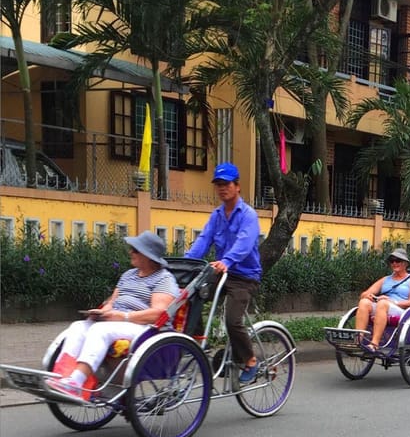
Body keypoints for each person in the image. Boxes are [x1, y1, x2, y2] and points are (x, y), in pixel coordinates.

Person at [45, 231, 179, 400]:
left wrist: (123, 316)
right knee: (78, 327)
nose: (130, 252)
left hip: (145, 328)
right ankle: (63, 376)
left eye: (135, 250)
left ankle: (76, 382)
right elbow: (112, 301)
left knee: (100, 330)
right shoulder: (128, 275)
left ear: (149, 256)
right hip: (117, 321)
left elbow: (159, 313)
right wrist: (105, 311)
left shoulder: (164, 279)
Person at [185, 162, 262, 383]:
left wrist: (227, 260)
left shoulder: (248, 215)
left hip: (243, 276)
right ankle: (199, 341)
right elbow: (204, 240)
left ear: (237, 186)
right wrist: (187, 263)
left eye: (226, 184)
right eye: (218, 184)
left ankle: (250, 361)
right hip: (221, 271)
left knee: (232, 320)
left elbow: (244, 243)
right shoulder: (217, 215)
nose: (222, 188)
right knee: (190, 296)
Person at [354, 248, 410, 352]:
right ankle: (359, 339)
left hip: (401, 309)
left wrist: (392, 302)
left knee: (383, 303)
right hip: (383, 305)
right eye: (392, 261)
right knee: (363, 302)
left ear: (405, 263)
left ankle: (374, 344)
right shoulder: (386, 279)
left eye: (398, 260)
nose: (394, 263)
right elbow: (364, 293)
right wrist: (368, 296)